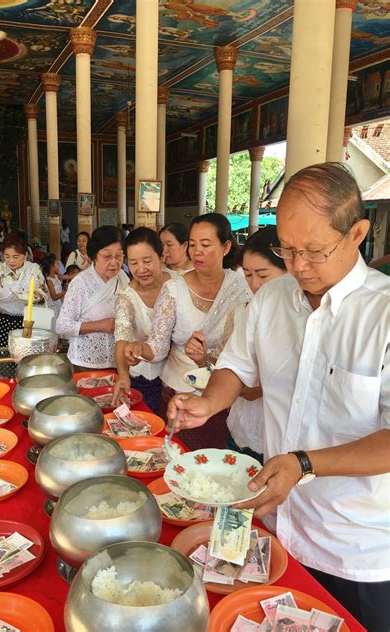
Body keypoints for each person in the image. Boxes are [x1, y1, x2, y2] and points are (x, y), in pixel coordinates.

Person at [168, 163, 390, 631]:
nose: (299, 266)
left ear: (358, 232)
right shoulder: (271, 300)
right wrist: (209, 402)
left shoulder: (383, 314)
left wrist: (304, 463)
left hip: (356, 549)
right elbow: (236, 367)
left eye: (314, 251)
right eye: (288, 250)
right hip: (276, 528)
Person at [125, 213, 251, 449]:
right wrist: (139, 349)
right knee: (177, 461)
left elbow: (242, 351)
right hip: (178, 395)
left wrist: (206, 359)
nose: (197, 252)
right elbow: (158, 347)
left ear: (225, 247)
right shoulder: (174, 289)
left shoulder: (240, 288)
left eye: (205, 245)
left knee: (210, 467)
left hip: (221, 396)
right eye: (192, 245)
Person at [185, 226, 286, 463]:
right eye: (248, 275)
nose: (254, 284)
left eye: (263, 274)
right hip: (241, 425)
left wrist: (252, 388)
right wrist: (202, 359)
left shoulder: (302, 321)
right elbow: (224, 364)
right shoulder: (243, 310)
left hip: (278, 437)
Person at [112, 227, 172, 414]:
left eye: (147, 261)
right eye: (133, 263)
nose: (141, 269)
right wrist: (123, 374)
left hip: (179, 378)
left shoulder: (177, 285)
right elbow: (121, 336)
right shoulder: (126, 296)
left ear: (162, 257)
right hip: (146, 379)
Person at [56, 225, 128, 370]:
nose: (114, 262)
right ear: (94, 255)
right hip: (85, 364)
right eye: (107, 256)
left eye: (119, 256)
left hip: (119, 363)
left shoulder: (123, 278)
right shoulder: (81, 283)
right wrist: (100, 325)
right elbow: (61, 326)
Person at [0, 232, 47, 347]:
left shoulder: (34, 269)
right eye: (7, 256)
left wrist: (33, 297)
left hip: (28, 321)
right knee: (4, 356)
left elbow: (44, 292)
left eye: (15, 257)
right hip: (4, 321)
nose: (11, 261)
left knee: (27, 356)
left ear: (25, 255)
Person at [41, 254, 65, 327]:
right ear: (51, 267)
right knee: (54, 327)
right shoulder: (49, 280)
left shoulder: (57, 276)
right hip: (53, 307)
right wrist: (65, 292)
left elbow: (70, 276)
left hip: (58, 305)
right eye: (57, 264)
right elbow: (54, 297)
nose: (59, 266)